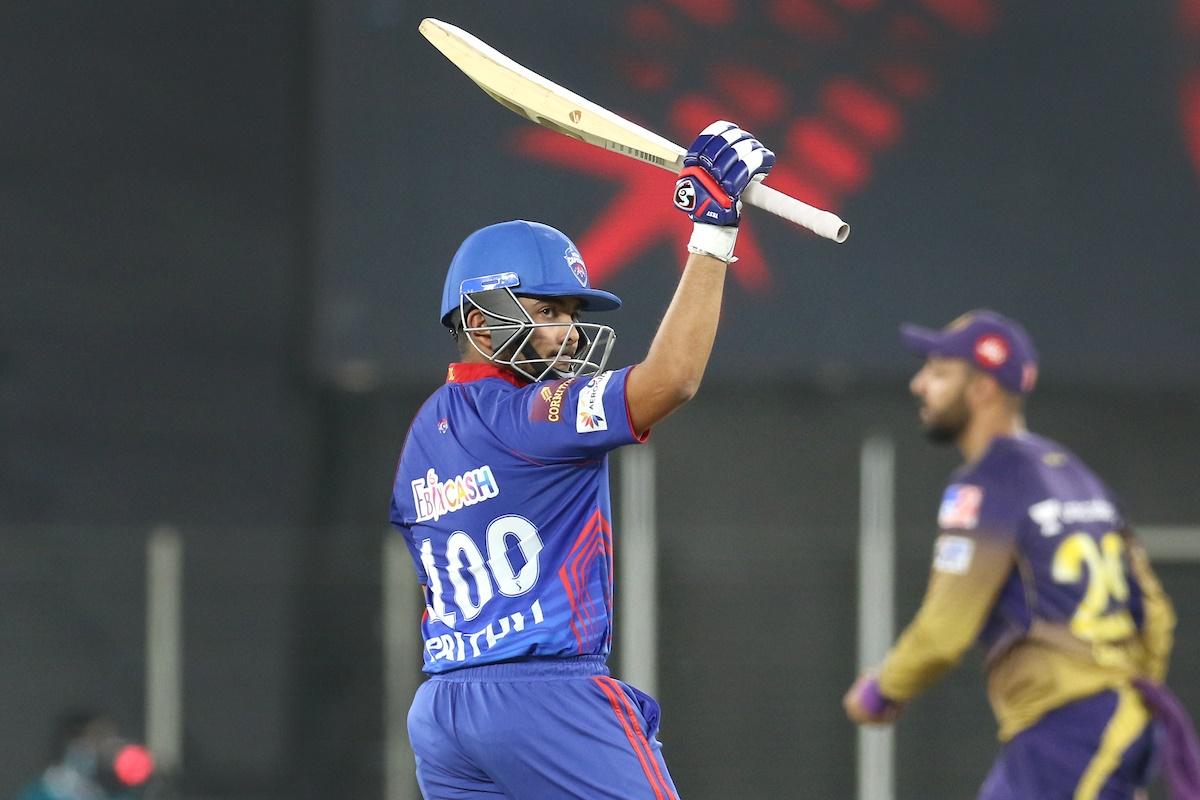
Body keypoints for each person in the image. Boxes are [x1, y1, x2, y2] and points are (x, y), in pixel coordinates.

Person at [389, 121, 774, 799]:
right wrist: (714, 231)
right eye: (546, 311)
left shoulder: (426, 429)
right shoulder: (531, 416)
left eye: (570, 312)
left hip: (444, 710)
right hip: (543, 700)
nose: (567, 333)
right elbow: (671, 380)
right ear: (480, 322)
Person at [842, 310, 1200, 799]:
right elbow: (1155, 614)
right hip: (1114, 722)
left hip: (1069, 731)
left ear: (984, 388)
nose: (919, 383)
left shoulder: (986, 484)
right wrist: (1127, 705)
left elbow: (944, 631)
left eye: (940, 371)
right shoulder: (1076, 474)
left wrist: (882, 689)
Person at [16, 710, 155, 800]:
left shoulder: (108, 792)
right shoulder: (39, 794)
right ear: (73, 743)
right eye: (98, 739)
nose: (106, 748)